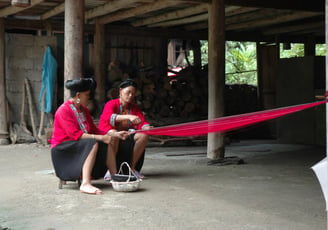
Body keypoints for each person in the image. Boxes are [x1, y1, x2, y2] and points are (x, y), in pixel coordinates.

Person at [51, 78, 129, 195]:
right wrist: (100, 138)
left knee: (104, 142)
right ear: (78, 95)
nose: (89, 97)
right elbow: (76, 135)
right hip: (64, 152)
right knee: (92, 142)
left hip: (78, 147)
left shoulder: (84, 110)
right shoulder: (63, 111)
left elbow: (95, 131)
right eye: (87, 95)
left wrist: (114, 134)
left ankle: (114, 176)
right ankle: (85, 183)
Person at [98, 78, 151, 179]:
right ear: (120, 91)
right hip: (111, 134)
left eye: (133, 93)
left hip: (127, 135)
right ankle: (111, 170)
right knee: (114, 134)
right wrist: (129, 117)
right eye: (128, 92)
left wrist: (146, 127)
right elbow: (108, 117)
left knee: (144, 135)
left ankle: (132, 168)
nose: (131, 95)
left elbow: (142, 121)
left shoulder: (134, 108)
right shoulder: (111, 104)